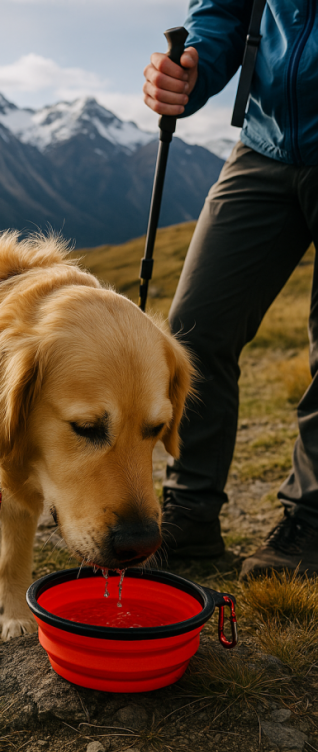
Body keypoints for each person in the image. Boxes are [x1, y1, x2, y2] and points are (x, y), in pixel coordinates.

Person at [142, 0, 318, 577]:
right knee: (193, 332)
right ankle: (189, 518)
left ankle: (311, 525)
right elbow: (222, 10)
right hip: (266, 144)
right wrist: (194, 64)